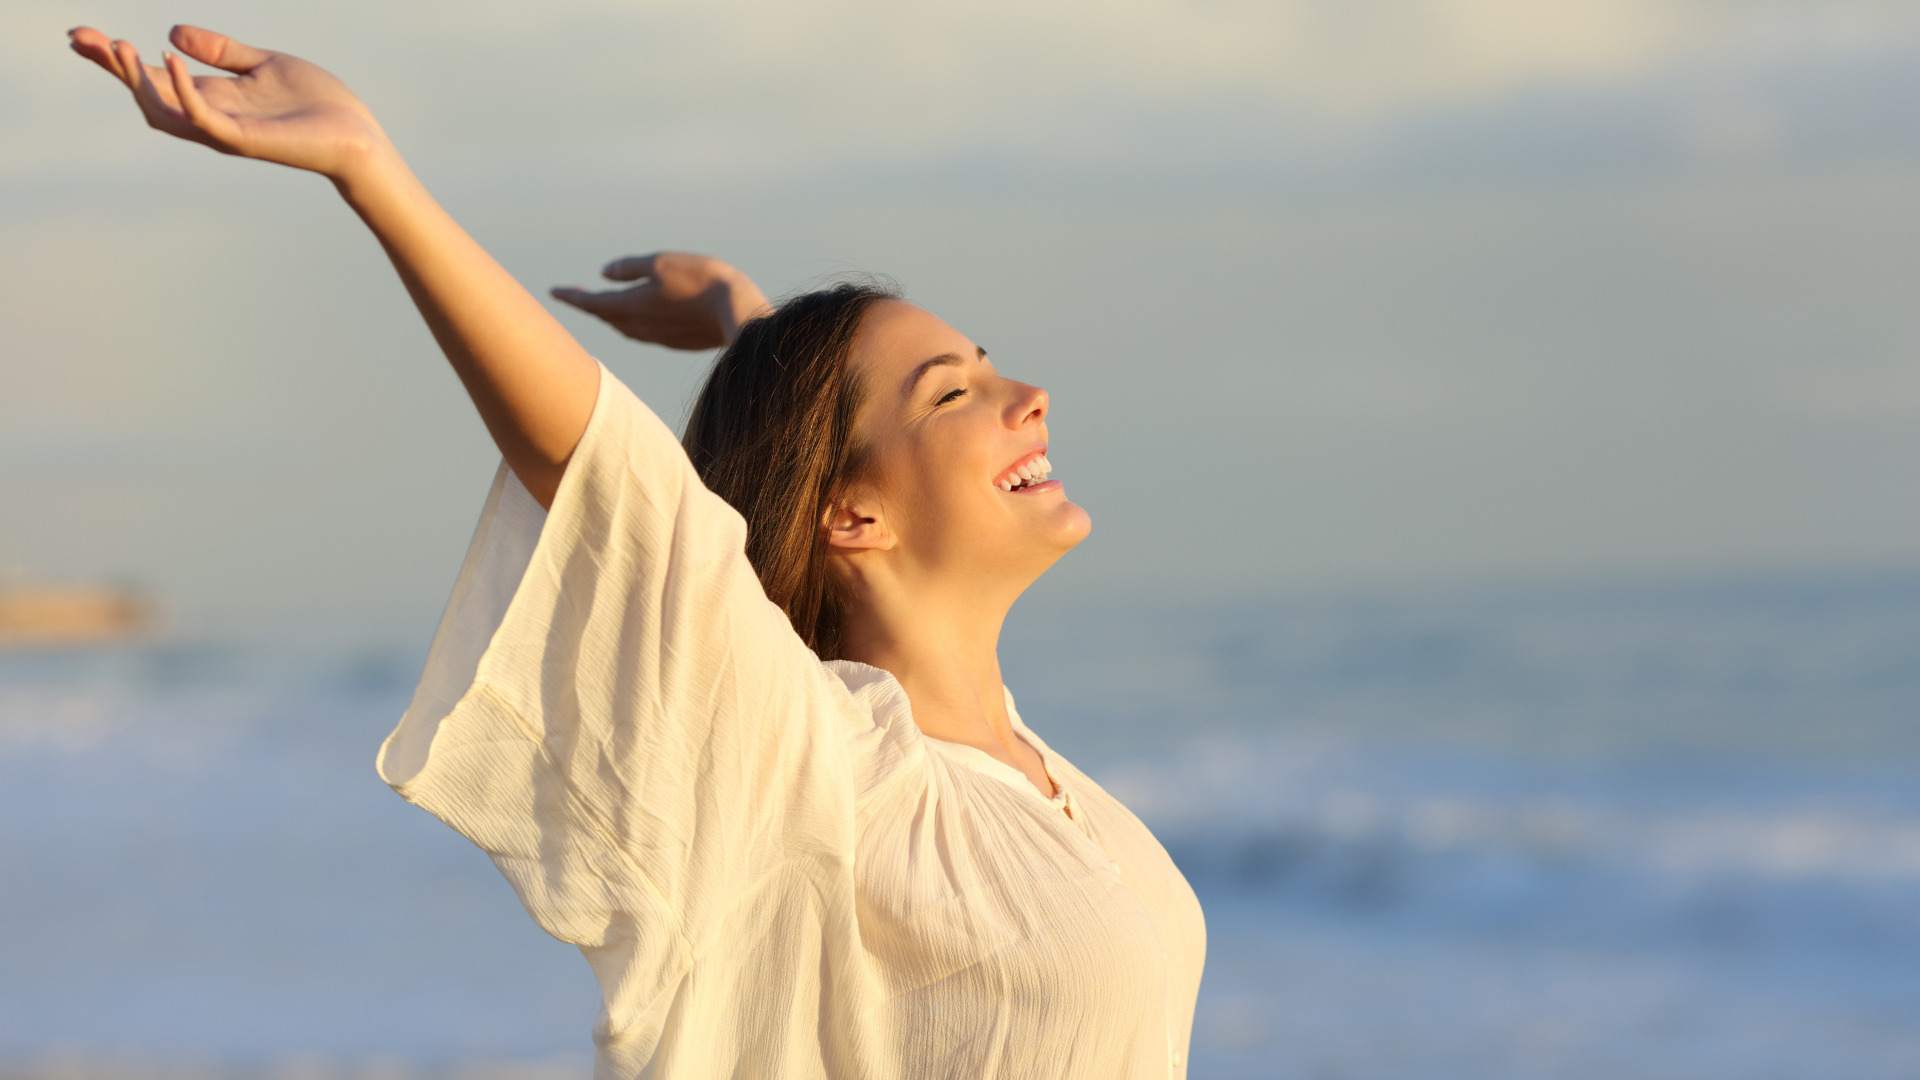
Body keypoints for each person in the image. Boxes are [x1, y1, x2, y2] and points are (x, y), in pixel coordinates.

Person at [69, 24, 1205, 1079]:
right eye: (960, 391)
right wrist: (373, 174)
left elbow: (800, 455)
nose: (1033, 398)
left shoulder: (1033, 775)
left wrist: (745, 326)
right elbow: (599, 466)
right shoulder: (819, 766)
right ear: (852, 518)